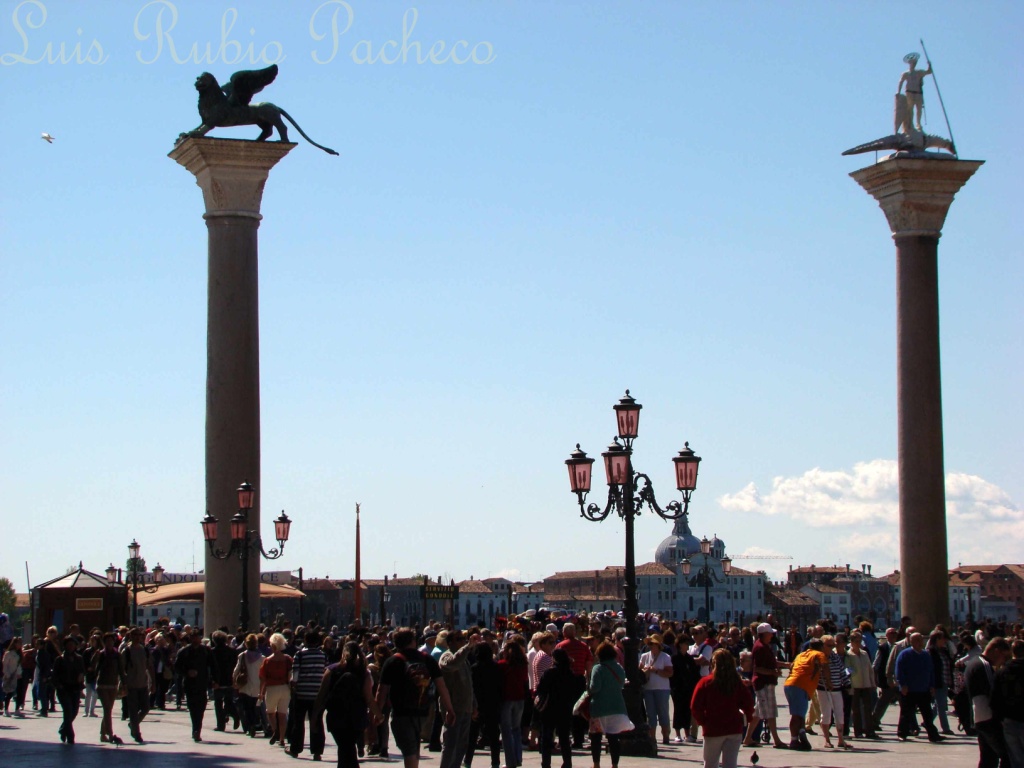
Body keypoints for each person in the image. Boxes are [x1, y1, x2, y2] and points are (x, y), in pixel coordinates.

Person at [375, 627, 455, 768]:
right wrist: (449, 708)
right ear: (413, 641)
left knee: (409, 748)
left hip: (401, 712)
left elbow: (382, 690)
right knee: (413, 744)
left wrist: (377, 712)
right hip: (423, 710)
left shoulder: (393, 661)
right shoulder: (427, 659)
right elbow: (442, 686)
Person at [316, 640, 384, 768]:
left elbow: (321, 695)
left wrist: (315, 716)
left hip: (336, 716)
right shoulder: (364, 673)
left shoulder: (331, 670)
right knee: (348, 748)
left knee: (345, 748)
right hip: (356, 717)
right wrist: (379, 715)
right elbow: (369, 698)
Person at [691, 648, 754, 768]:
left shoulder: (705, 682)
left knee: (710, 764)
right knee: (730, 764)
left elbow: (695, 706)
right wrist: (746, 718)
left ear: (714, 663)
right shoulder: (737, 682)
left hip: (713, 729)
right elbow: (749, 703)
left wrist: (703, 721)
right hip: (734, 728)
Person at [966, 637, 1012, 767]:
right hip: (988, 717)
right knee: (1006, 754)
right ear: (997, 651)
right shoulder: (984, 665)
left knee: (988, 758)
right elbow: (993, 693)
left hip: (979, 717)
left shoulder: (973, 663)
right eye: (1004, 656)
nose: (1003, 661)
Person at [743, 622, 789, 749]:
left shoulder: (763, 645)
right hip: (763, 683)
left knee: (761, 712)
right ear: (764, 634)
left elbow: (771, 662)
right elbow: (757, 668)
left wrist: (784, 665)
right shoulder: (760, 647)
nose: (772, 635)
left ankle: (748, 738)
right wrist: (772, 672)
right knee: (769, 712)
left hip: (766, 683)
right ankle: (776, 740)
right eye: (770, 633)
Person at [588, 641, 632, 768]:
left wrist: (588, 689)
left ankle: (596, 764)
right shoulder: (619, 667)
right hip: (617, 706)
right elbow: (622, 684)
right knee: (614, 738)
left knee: (596, 737)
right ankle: (614, 765)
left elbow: (595, 687)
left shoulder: (598, 668)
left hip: (599, 707)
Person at [438, 630, 477, 768]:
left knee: (462, 745)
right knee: (450, 744)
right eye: (459, 639)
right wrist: (467, 647)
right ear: (450, 643)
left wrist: (474, 705)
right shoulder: (446, 656)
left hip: (465, 708)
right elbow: (451, 665)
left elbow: (469, 684)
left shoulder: (464, 659)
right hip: (453, 708)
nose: (463, 641)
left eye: (463, 639)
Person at [894, 632, 942, 743]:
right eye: (917, 640)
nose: (920, 642)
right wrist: (903, 684)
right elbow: (899, 671)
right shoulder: (905, 654)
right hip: (909, 689)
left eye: (921, 640)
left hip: (924, 689)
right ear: (911, 642)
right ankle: (902, 733)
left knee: (927, 713)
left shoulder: (926, 655)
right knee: (906, 713)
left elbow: (931, 671)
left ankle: (933, 735)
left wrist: (932, 685)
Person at [290, 630, 328, 759]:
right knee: (317, 721)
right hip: (317, 694)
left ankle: (295, 749)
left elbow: (295, 675)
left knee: (298, 722)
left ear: (305, 641)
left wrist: (293, 684)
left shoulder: (299, 654)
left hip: (301, 693)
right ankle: (317, 751)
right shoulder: (323, 655)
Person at [783, 637, 826, 751]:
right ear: (821, 647)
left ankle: (801, 734)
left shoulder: (800, 655)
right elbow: (826, 666)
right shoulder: (819, 654)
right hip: (800, 685)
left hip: (790, 683)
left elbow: (792, 667)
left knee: (800, 713)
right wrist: (829, 682)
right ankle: (793, 740)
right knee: (796, 715)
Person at [535, 648, 576, 768]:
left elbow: (541, 690)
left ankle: (546, 763)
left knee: (546, 738)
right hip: (565, 708)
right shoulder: (570, 673)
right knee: (564, 738)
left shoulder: (549, 673)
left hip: (549, 708)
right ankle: (567, 762)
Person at [466, 640, 502, 768]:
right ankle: (495, 762)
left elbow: (471, 688)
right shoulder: (497, 667)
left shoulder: (474, 668)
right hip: (493, 704)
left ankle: (467, 761)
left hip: (478, 704)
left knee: (472, 735)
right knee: (494, 736)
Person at [175, 629, 215, 742]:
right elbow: (177, 667)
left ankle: (197, 729)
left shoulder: (206, 651)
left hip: (202, 683)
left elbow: (213, 666)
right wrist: (187, 672)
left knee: (201, 707)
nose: (195, 639)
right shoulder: (184, 651)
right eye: (193, 637)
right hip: (189, 684)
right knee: (193, 708)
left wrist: (214, 680)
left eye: (197, 637)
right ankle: (195, 730)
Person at [992, 638, 1024, 768]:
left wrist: (999, 719)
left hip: (1009, 720)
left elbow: (994, 699)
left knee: (1016, 760)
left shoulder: (1002, 672)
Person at [498, 636, 529, 768]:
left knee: (506, 731)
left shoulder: (502, 665)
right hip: (520, 698)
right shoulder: (523, 664)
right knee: (516, 729)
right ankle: (517, 758)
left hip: (506, 699)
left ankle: (510, 761)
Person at [260, 632, 294, 748]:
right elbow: (291, 676)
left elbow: (263, 678)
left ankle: (276, 730)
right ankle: (282, 739)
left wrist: (261, 693)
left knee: (270, 713)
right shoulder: (288, 659)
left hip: (271, 688)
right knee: (282, 714)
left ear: (273, 646)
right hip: (284, 688)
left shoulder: (267, 661)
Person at [120, 627, 153, 743]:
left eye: (139, 635)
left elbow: (149, 666)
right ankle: (136, 732)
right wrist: (123, 684)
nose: (137, 637)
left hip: (143, 683)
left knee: (145, 708)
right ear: (130, 636)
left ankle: (133, 725)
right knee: (133, 710)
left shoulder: (144, 649)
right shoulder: (127, 651)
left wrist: (153, 681)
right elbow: (121, 669)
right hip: (131, 684)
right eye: (134, 635)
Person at [639, 633, 673, 745]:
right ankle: (652, 738)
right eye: (649, 644)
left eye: (653, 644)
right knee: (650, 714)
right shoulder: (644, 656)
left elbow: (670, 673)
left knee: (663, 713)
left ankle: (666, 736)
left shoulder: (665, 657)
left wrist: (656, 670)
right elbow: (639, 671)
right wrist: (645, 670)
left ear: (658, 645)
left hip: (662, 688)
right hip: (648, 688)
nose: (650, 646)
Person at [51, 635, 86, 744]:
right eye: (68, 645)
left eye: (73, 645)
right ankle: (70, 735)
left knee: (74, 711)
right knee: (67, 711)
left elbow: (82, 671)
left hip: (75, 689)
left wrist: (81, 677)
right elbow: (54, 675)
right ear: (65, 646)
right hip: (63, 689)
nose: (71, 647)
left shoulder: (79, 658)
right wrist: (58, 686)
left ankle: (63, 729)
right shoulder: (60, 659)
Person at [817, 635, 850, 749]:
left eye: (833, 645)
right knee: (826, 715)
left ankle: (841, 739)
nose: (831, 648)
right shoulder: (819, 656)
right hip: (824, 689)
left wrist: (847, 682)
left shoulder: (835, 656)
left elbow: (842, 670)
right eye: (829, 645)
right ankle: (827, 740)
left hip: (837, 688)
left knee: (839, 714)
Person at [846, 630, 877, 739]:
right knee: (856, 709)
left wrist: (872, 682)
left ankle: (870, 731)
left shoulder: (864, 653)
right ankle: (858, 731)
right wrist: (853, 673)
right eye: (857, 641)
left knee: (868, 708)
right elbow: (847, 669)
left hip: (866, 684)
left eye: (860, 641)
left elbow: (870, 669)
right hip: (855, 685)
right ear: (852, 641)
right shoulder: (848, 654)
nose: (859, 643)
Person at [92, 632, 122, 744]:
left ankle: (102, 734)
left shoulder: (117, 655)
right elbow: (94, 669)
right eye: (107, 641)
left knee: (108, 710)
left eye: (111, 641)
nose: (109, 643)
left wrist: (124, 683)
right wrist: (96, 656)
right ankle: (110, 734)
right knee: (107, 709)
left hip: (113, 685)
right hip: (102, 685)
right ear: (104, 643)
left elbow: (121, 670)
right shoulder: (100, 654)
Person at [234, 633, 265, 738]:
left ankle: (250, 726)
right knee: (254, 707)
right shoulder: (262, 658)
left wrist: (234, 681)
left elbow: (236, 670)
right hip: (257, 686)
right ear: (256, 644)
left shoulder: (242, 655)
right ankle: (255, 724)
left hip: (245, 685)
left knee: (246, 708)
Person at [670, 634, 698, 743]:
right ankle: (677, 734)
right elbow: (673, 675)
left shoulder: (689, 658)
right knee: (678, 710)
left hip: (689, 689)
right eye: (686, 643)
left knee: (687, 711)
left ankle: (688, 734)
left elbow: (694, 673)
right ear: (680, 644)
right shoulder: (674, 658)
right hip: (677, 689)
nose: (687, 646)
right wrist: (674, 687)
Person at [210, 630, 240, 732]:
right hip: (229, 679)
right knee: (229, 701)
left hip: (218, 681)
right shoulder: (232, 651)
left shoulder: (212, 652)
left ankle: (221, 725)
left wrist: (212, 680)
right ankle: (235, 714)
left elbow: (211, 668)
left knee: (218, 703)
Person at [927, 629, 956, 735]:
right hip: (938, 681)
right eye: (942, 638)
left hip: (946, 680)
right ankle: (945, 728)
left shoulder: (944, 651)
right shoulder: (931, 652)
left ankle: (927, 721)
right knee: (941, 705)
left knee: (938, 704)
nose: (944, 640)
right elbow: (931, 669)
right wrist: (932, 684)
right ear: (937, 639)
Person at [897, 52, 933, 132]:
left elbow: (929, 72)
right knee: (910, 109)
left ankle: (918, 124)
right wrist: (898, 92)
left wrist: (929, 65)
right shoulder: (905, 73)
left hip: (918, 93)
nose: (914, 64)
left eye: (915, 62)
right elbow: (901, 82)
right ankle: (910, 124)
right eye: (912, 62)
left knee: (919, 109)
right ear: (910, 63)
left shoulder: (919, 72)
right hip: (909, 93)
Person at [2, 636, 22, 715]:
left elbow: (19, 665)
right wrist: (7, 674)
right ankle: (6, 709)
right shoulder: (9, 653)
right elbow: (5, 665)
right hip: (10, 675)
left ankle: (17, 709)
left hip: (17, 675)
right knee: (9, 693)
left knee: (19, 692)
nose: (20, 645)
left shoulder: (19, 653)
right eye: (18, 643)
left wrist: (19, 673)